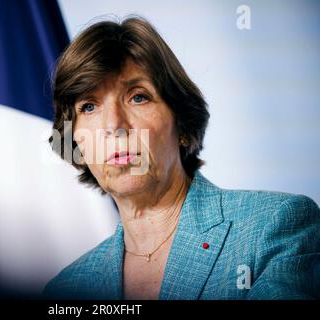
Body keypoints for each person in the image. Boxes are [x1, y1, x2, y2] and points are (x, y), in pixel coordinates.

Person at [43, 17, 320, 299]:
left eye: (138, 97)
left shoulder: (275, 227)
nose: (114, 125)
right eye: (89, 106)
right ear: (75, 141)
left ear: (183, 126)